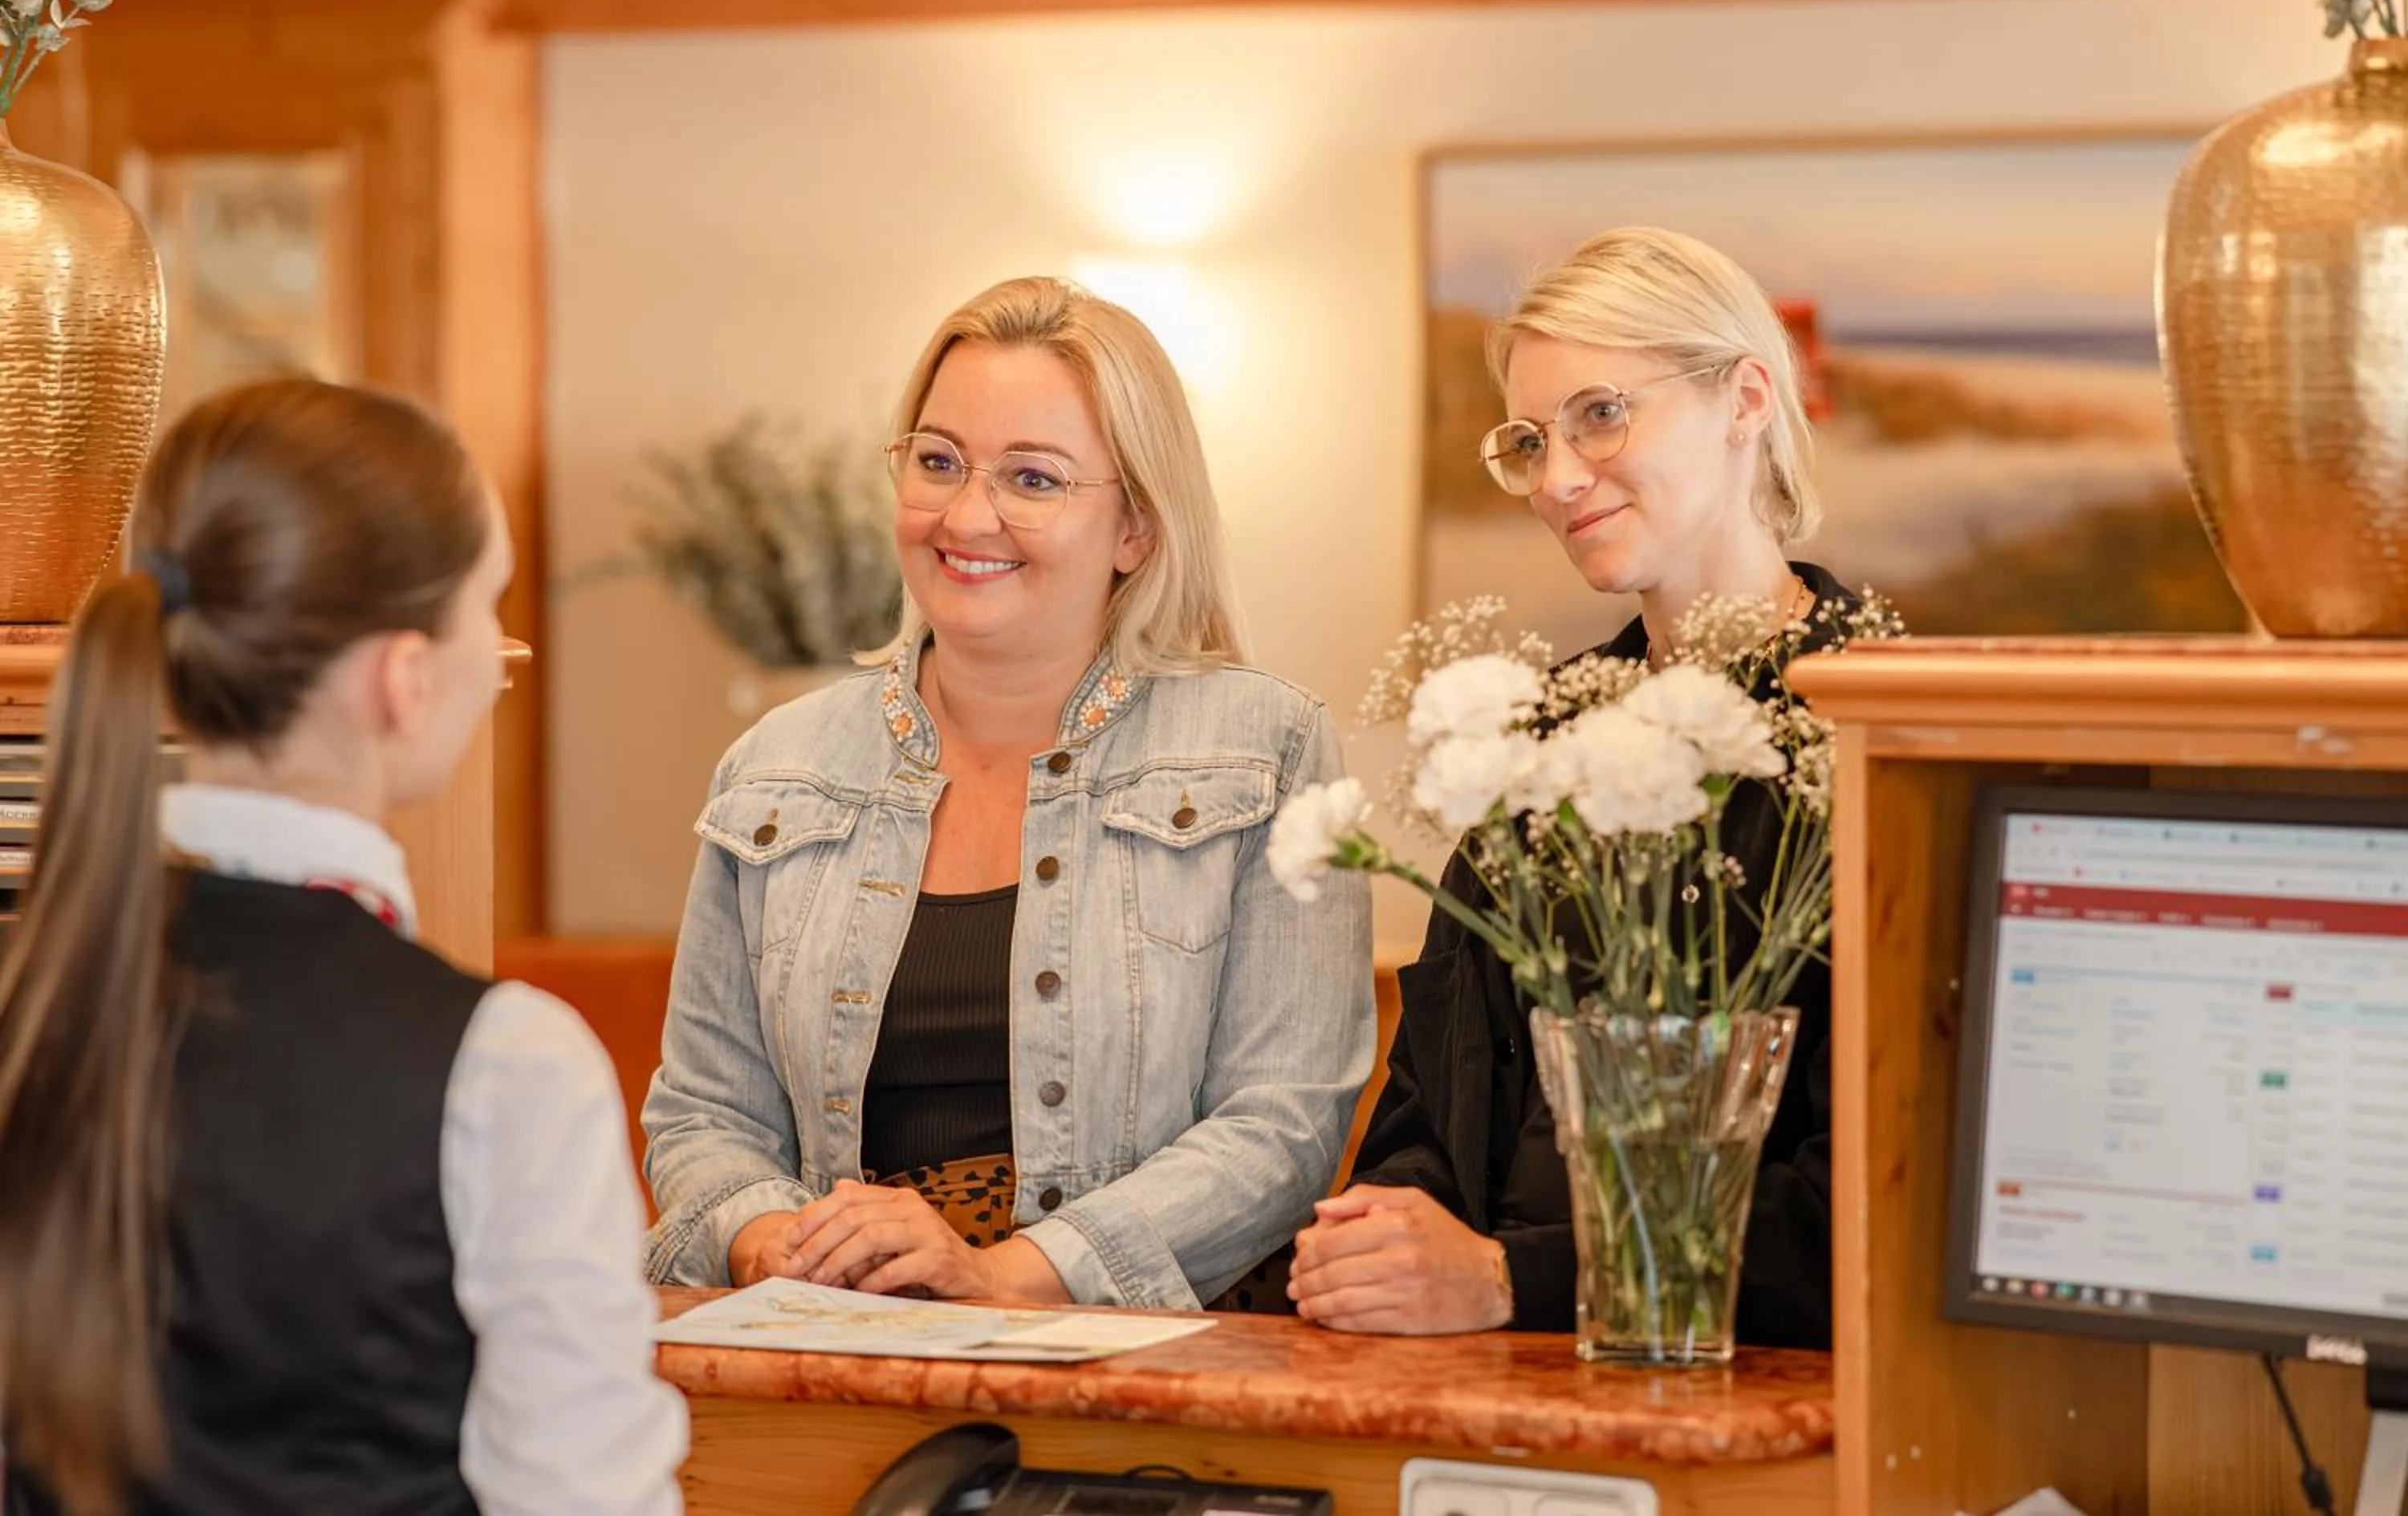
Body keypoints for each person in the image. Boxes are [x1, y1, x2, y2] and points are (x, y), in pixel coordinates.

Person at [0, 379, 685, 1516]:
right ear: (402, 678)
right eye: (488, 602)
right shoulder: (506, 1064)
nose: (499, 650)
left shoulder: (36, 994)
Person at [643, 276, 1373, 1311]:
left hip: (1150, 1372)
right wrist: (771, 1244)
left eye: (1033, 479)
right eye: (938, 463)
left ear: (1137, 531)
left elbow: (1284, 1127)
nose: (967, 514)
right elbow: (701, 1115)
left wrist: (1007, 1274)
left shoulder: (1267, 749)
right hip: (824, 1345)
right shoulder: (774, 766)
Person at [1294, 226, 1861, 1348]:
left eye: (1602, 414)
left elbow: (1870, 1202)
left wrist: (1510, 1278)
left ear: (1748, 398)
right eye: (1528, 440)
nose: (1556, 481)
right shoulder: (1533, 751)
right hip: (1478, 1380)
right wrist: (1376, 1242)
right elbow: (1431, 1111)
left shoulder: (1883, 740)